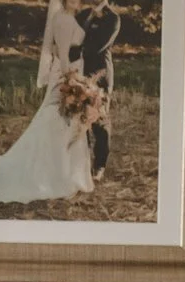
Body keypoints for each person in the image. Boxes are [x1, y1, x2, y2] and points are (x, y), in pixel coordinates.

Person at [0, 0, 97, 205]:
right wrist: (75, 84)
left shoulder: (70, 17)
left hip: (73, 72)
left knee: (66, 121)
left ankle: (69, 174)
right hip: (66, 77)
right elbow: (62, 56)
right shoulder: (62, 19)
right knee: (57, 119)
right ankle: (52, 177)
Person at [76, 0, 121, 180]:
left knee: (100, 121)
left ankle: (100, 165)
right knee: (80, 118)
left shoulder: (113, 19)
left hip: (101, 74)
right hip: (80, 72)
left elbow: (99, 46)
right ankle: (83, 163)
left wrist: (77, 48)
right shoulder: (83, 14)